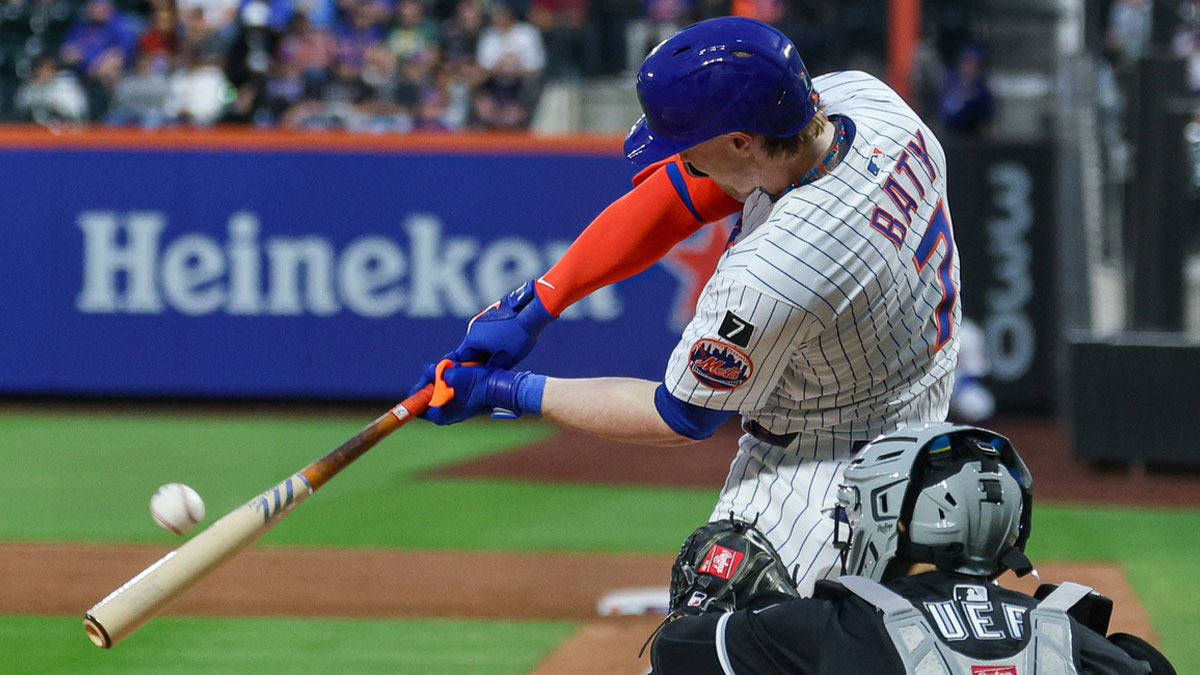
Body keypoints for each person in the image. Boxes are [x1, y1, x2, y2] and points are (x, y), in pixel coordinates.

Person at [411, 16, 961, 595]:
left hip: (826, 480)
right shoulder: (869, 103)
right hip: (915, 410)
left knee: (710, 653)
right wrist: (542, 300)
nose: (683, 160)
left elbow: (678, 416)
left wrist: (506, 391)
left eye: (690, 148)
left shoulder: (778, 270)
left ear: (742, 142)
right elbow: (679, 198)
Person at [647, 423, 1174, 674]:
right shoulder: (1068, 633)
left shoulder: (838, 625)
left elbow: (678, 652)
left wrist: (740, 609)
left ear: (892, 518)